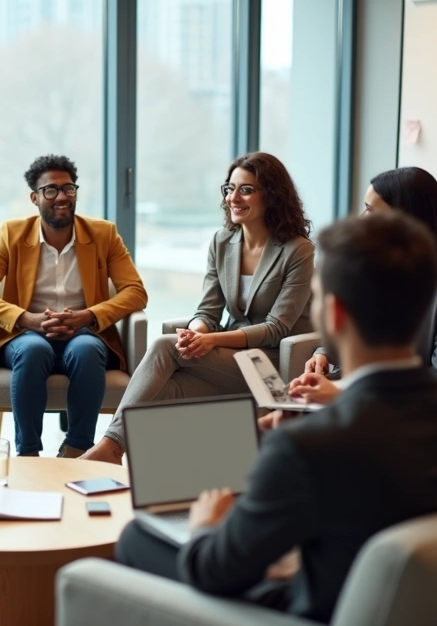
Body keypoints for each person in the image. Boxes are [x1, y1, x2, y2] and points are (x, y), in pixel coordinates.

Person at [114, 212, 437, 624]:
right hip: (423, 609)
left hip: (316, 611)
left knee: (135, 536)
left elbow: (214, 571)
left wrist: (204, 525)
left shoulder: (309, 449)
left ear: (334, 315)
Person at [82, 152, 315, 464]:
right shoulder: (222, 242)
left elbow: (276, 328)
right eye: (229, 188)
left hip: (272, 364)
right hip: (231, 360)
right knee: (163, 388)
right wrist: (194, 335)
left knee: (164, 348)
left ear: (271, 196)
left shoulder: (298, 251)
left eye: (246, 189)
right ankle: (153, 483)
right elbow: (207, 312)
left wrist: (211, 340)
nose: (233, 197)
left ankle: (109, 450)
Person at [0, 154, 147, 457]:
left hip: (85, 333)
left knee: (86, 351)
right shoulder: (13, 234)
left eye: (68, 189)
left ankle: (77, 450)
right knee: (34, 351)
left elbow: (136, 292)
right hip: (26, 335)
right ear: (35, 198)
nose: (61, 196)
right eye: (51, 190)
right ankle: (29, 455)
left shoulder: (103, 234)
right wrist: (27, 319)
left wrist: (88, 316)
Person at [293, 166, 437, 404]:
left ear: (404, 218)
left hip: (405, 412)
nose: (361, 218)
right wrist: (324, 355)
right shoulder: (373, 273)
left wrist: (343, 394)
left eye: (370, 209)